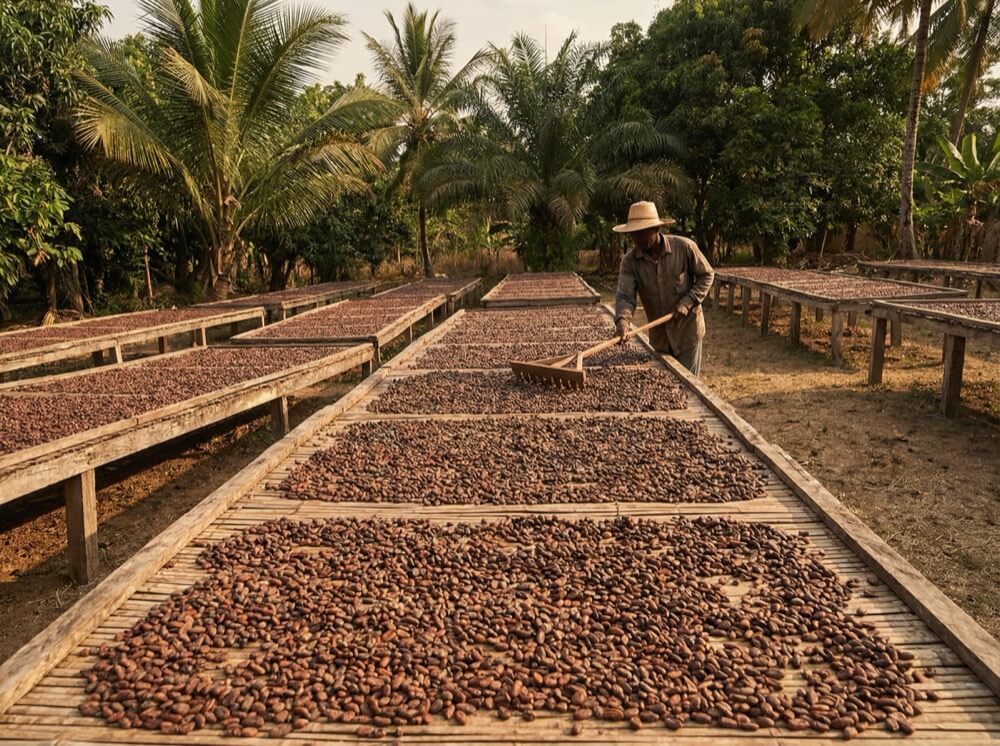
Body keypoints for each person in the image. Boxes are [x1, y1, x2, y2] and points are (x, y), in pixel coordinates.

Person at [613, 201, 715, 376]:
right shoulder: (630, 262)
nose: (636, 239)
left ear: (654, 229)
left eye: (641, 233)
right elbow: (625, 296)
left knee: (687, 387)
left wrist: (688, 301)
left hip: (687, 334)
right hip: (660, 338)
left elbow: (707, 275)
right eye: (633, 235)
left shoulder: (684, 247)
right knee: (666, 383)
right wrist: (623, 322)